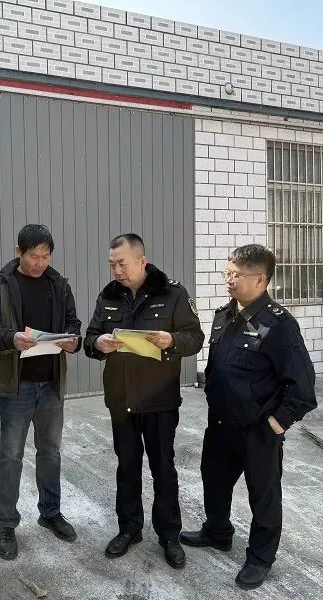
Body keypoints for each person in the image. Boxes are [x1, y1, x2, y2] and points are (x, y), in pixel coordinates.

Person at [180, 244, 317, 589]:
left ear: (261, 280)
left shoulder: (279, 324)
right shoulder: (224, 315)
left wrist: (277, 423)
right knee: (214, 481)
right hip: (221, 424)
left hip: (258, 430)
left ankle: (260, 558)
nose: (229, 280)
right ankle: (217, 532)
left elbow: (302, 387)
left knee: (263, 497)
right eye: (227, 273)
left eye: (237, 275)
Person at [83, 233, 204, 569]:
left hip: (159, 401)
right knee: (127, 467)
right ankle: (129, 529)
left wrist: (171, 340)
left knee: (163, 469)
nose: (116, 271)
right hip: (121, 399)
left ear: (142, 261)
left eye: (122, 264)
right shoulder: (108, 296)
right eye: (112, 265)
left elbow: (195, 337)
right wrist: (99, 344)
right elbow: (89, 339)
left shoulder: (172, 293)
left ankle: (169, 536)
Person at [0, 224, 82, 560]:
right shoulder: (0, 285)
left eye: (45, 256)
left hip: (51, 382)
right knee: (11, 455)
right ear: (18, 251)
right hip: (17, 384)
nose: (39, 263)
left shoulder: (59, 284)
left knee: (50, 451)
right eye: (33, 256)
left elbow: (73, 323)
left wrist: (72, 340)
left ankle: (50, 512)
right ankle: (6, 522)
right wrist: (11, 338)